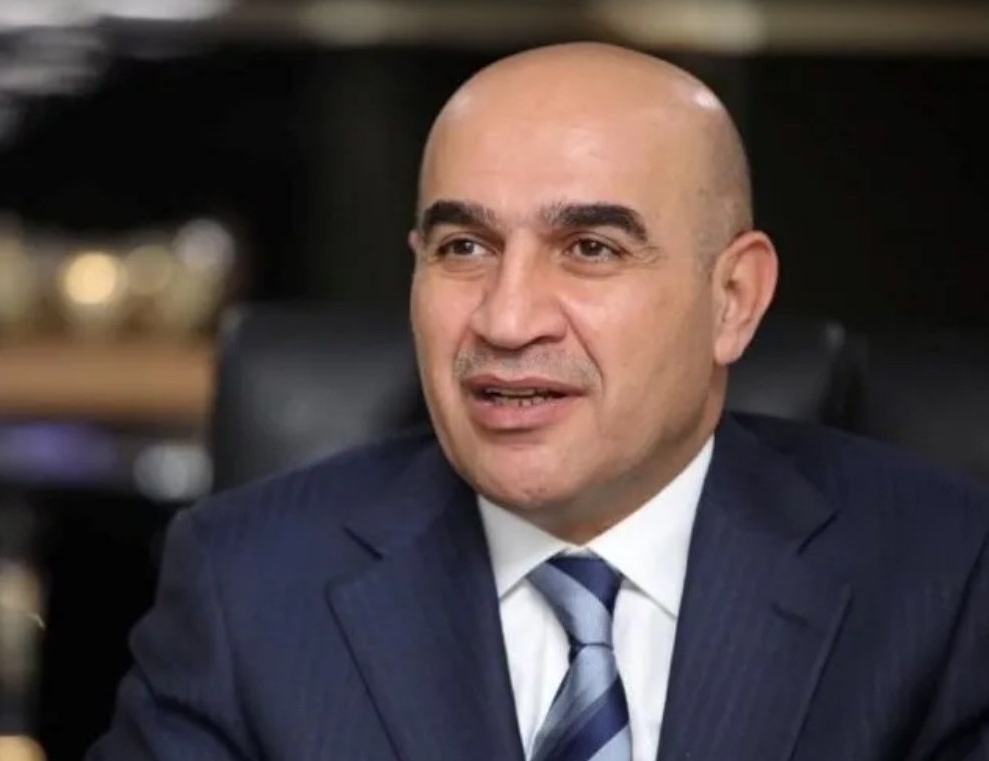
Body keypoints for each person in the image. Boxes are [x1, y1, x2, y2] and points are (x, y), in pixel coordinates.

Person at [86, 42, 989, 761]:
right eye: (464, 248)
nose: (507, 318)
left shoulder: (944, 579)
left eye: (591, 248)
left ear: (733, 300)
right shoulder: (247, 586)